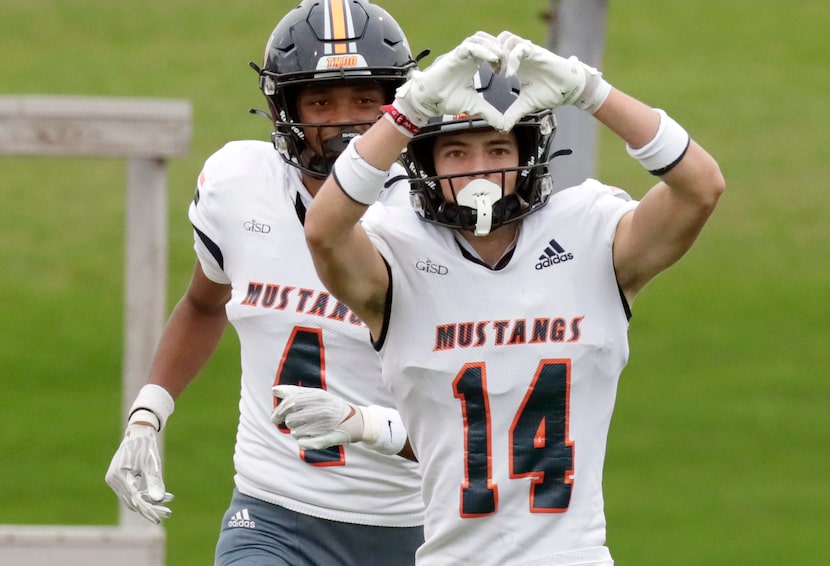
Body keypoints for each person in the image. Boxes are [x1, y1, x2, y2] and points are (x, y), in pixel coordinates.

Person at [278, 30, 725, 565]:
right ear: (426, 164)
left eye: (497, 148)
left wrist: (590, 90)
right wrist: (406, 112)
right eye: (456, 152)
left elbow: (702, 186)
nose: (479, 169)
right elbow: (323, 231)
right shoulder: (396, 253)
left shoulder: (588, 232)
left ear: (528, 154)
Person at [104, 1, 426, 564]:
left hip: (415, 523)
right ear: (284, 109)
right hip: (272, 514)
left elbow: (477, 419)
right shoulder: (239, 183)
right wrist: (148, 413)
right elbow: (206, 304)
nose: (345, 120)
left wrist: (364, 425)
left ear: (397, 105)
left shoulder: (427, 220)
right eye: (321, 101)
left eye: (363, 100)